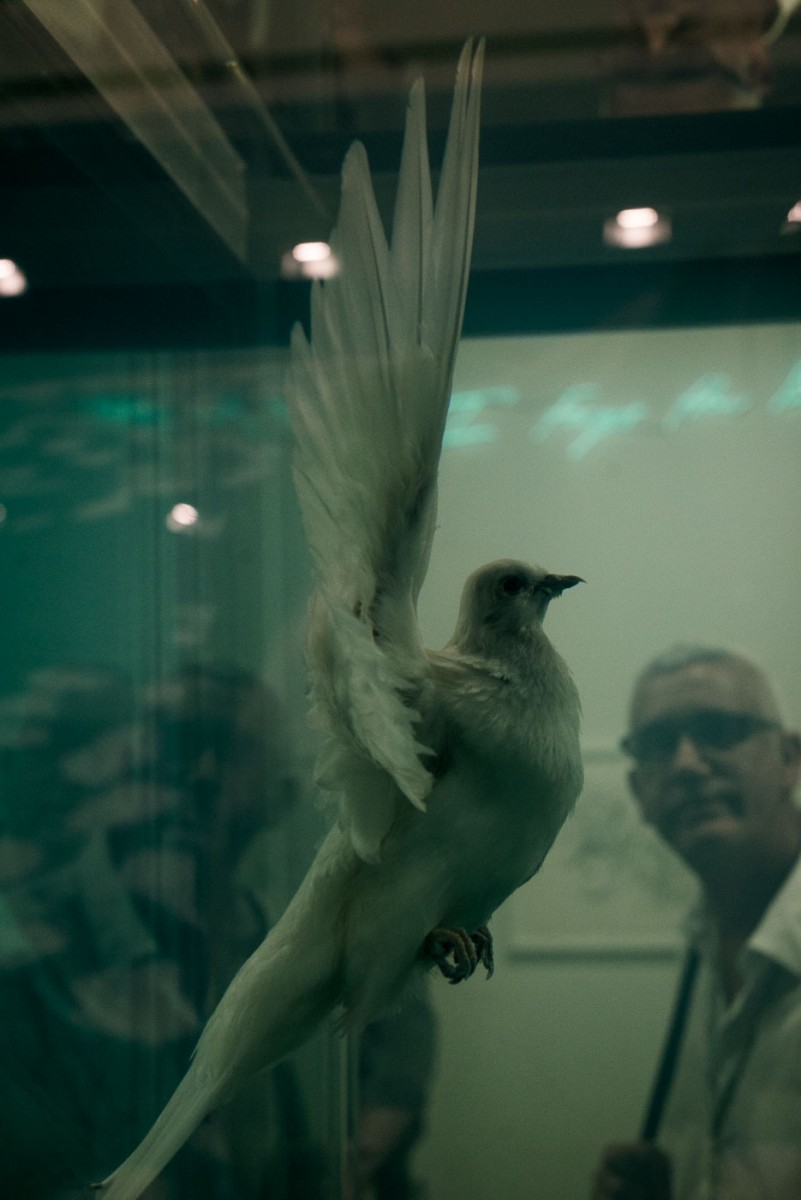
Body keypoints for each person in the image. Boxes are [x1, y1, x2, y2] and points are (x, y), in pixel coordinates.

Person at [590, 644, 801, 1200]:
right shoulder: (701, 943)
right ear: (639, 792)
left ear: (790, 758)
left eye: (718, 730)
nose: (685, 764)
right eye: (658, 744)